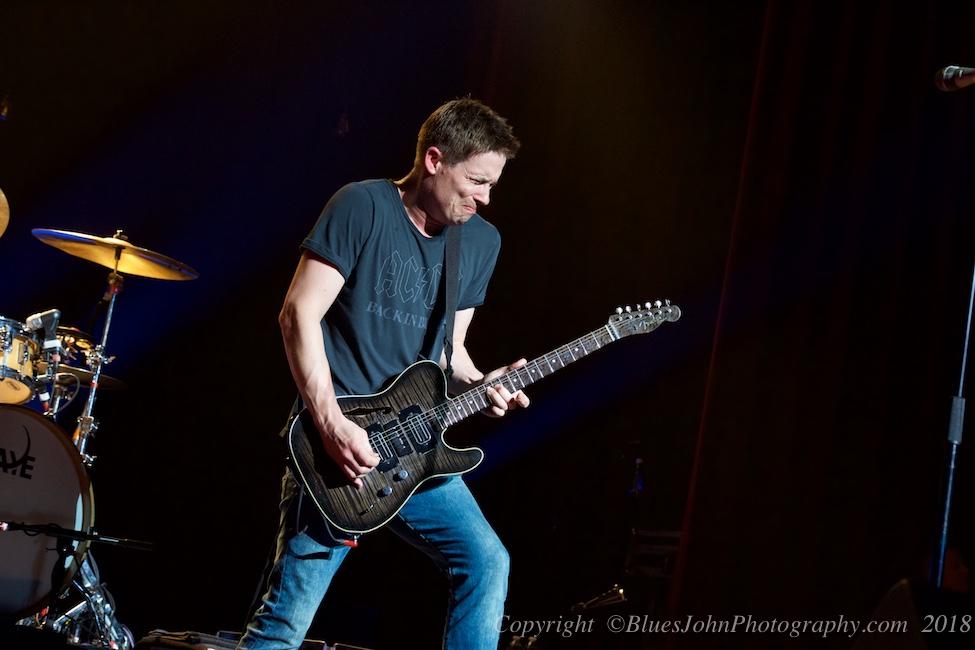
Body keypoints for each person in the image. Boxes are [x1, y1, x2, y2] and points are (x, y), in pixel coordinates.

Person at [237, 98, 529, 650]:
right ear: (435, 160)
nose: (486, 198)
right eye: (476, 181)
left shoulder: (481, 242)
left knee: (487, 561)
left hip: (415, 449)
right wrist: (330, 425)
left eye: (493, 185)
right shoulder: (362, 205)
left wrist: (484, 383)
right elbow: (298, 313)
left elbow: (451, 354)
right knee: (285, 623)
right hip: (336, 451)